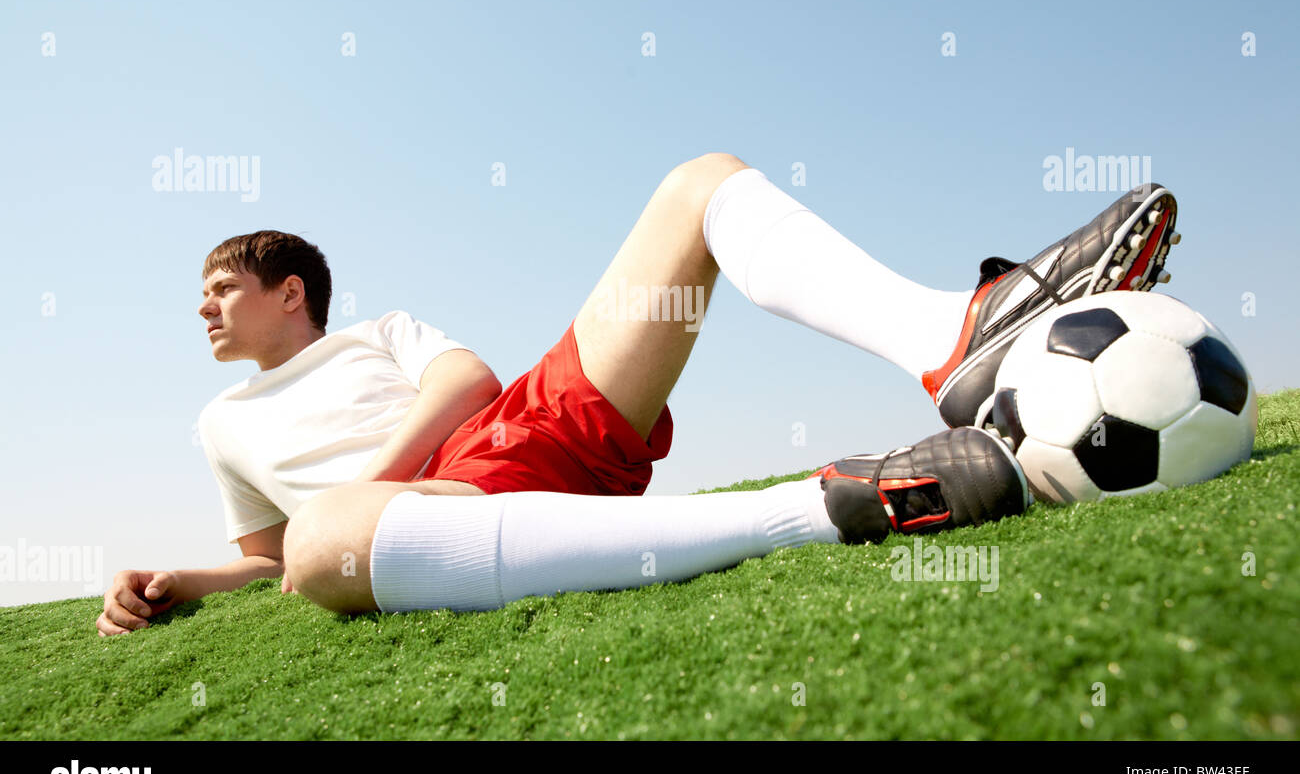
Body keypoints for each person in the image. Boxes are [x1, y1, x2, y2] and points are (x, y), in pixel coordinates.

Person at [96, 154, 1179, 632]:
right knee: (322, 544)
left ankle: (948, 337)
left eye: (220, 288)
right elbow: (262, 555)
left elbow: (465, 380)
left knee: (698, 186)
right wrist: (172, 583)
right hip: (406, 534)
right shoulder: (219, 423)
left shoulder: (378, 331)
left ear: (289, 293)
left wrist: (378, 479)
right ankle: (840, 499)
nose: (203, 309)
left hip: (515, 432)